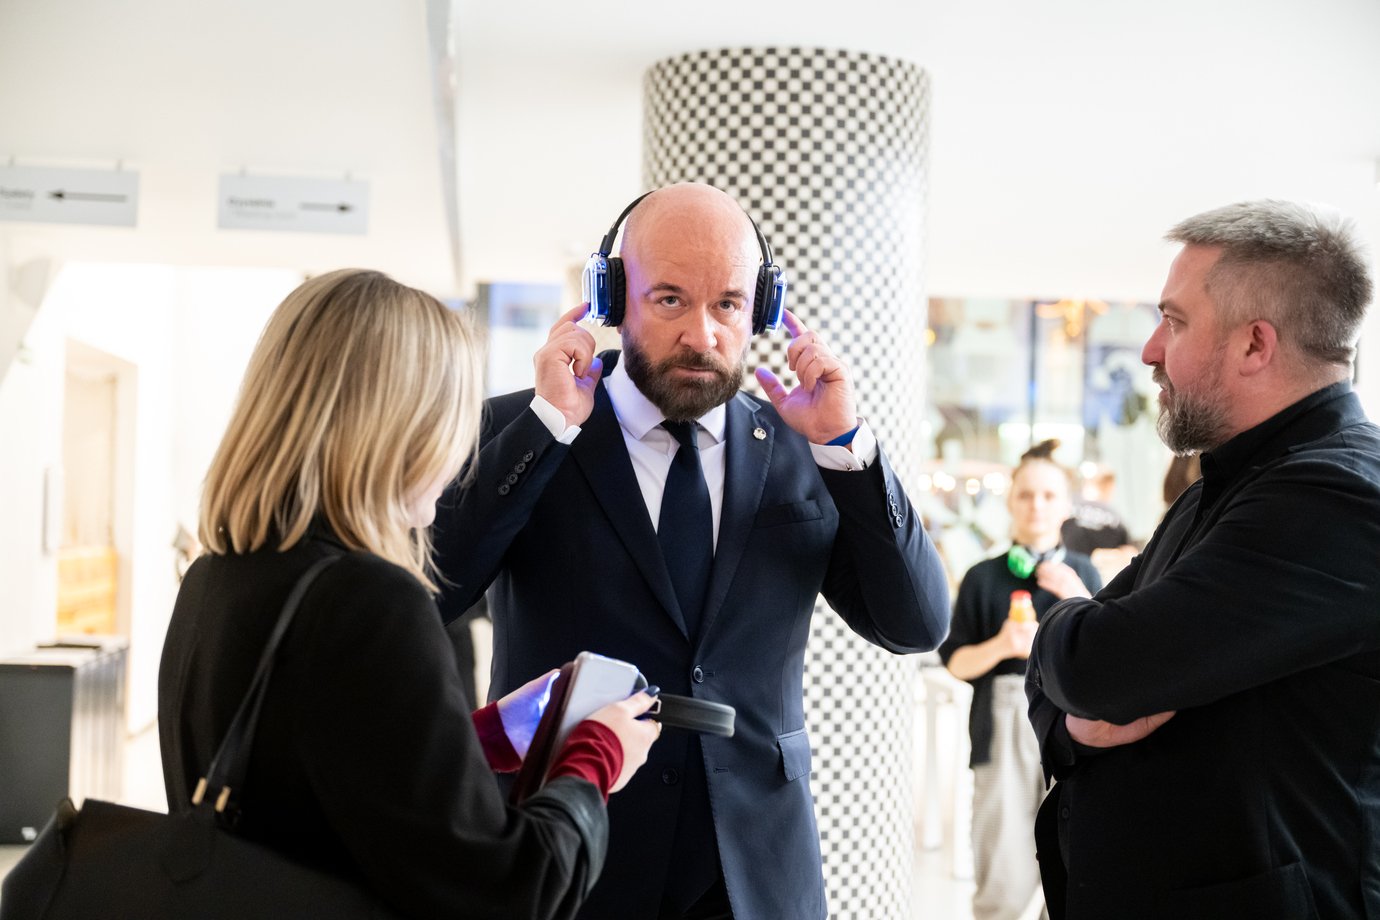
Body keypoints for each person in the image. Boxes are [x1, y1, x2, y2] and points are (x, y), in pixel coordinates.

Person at [431, 182, 951, 920]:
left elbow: (916, 624)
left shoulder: (806, 449)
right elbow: (432, 594)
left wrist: (848, 449)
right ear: (613, 299)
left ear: (760, 310)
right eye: (670, 299)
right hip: (570, 850)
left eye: (728, 304)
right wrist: (548, 429)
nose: (702, 335)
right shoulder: (522, 430)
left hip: (754, 871)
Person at [158, 269, 660, 920]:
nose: (460, 453)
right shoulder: (369, 600)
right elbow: (512, 891)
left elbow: (316, 786)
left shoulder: (215, 579)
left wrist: (480, 737)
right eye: (456, 420)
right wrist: (596, 753)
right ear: (403, 426)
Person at [1025, 200, 1380, 919]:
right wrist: (1076, 719)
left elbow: (1095, 667)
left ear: (1255, 345)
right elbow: (1077, 681)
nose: (1150, 350)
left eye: (1174, 321)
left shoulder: (1336, 496)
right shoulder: (1217, 490)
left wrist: (1061, 622)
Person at [939, 440, 1101, 920]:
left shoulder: (1084, 573)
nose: (1037, 506)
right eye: (1026, 495)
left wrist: (1079, 598)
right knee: (1002, 865)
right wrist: (1003, 646)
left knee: (1075, 868)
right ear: (1010, 501)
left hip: (1075, 730)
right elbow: (956, 663)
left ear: (1066, 505)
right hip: (1001, 727)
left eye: (1049, 495)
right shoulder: (982, 577)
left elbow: (1107, 661)